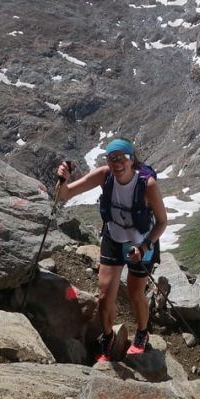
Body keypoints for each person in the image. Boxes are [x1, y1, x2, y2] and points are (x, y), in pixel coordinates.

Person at [56, 138, 168, 361]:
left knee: (136, 294)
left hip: (140, 242)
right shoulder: (104, 175)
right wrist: (62, 180)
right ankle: (108, 338)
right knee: (105, 295)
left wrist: (144, 246)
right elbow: (64, 195)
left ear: (131, 159)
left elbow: (162, 222)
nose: (116, 163)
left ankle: (142, 333)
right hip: (113, 238)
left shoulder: (147, 185)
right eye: (111, 158)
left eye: (121, 158)